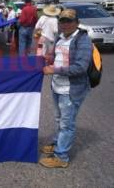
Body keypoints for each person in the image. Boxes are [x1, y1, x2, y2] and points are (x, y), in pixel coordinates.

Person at [40, 9, 92, 168]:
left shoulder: (82, 40)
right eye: (62, 21)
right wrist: (50, 57)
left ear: (77, 23)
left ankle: (61, 157)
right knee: (59, 119)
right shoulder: (60, 37)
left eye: (69, 21)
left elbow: (81, 67)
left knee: (66, 124)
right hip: (57, 86)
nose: (66, 24)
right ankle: (57, 143)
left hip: (71, 89)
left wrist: (54, 70)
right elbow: (57, 57)